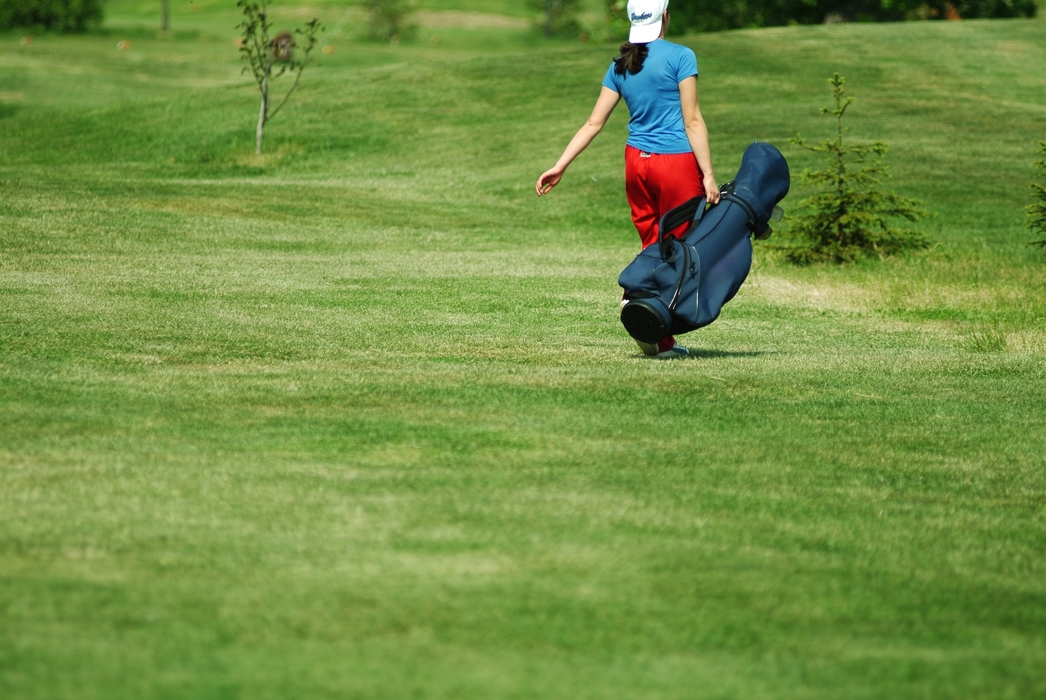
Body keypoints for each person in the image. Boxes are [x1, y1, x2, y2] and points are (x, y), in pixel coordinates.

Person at [535, 0, 718, 359]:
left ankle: (657, 339)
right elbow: (692, 120)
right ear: (665, 16)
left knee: (654, 244)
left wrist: (561, 165)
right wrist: (708, 175)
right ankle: (635, 302)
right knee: (678, 251)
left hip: (637, 164)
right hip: (676, 164)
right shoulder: (682, 56)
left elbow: (593, 123)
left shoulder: (621, 63)